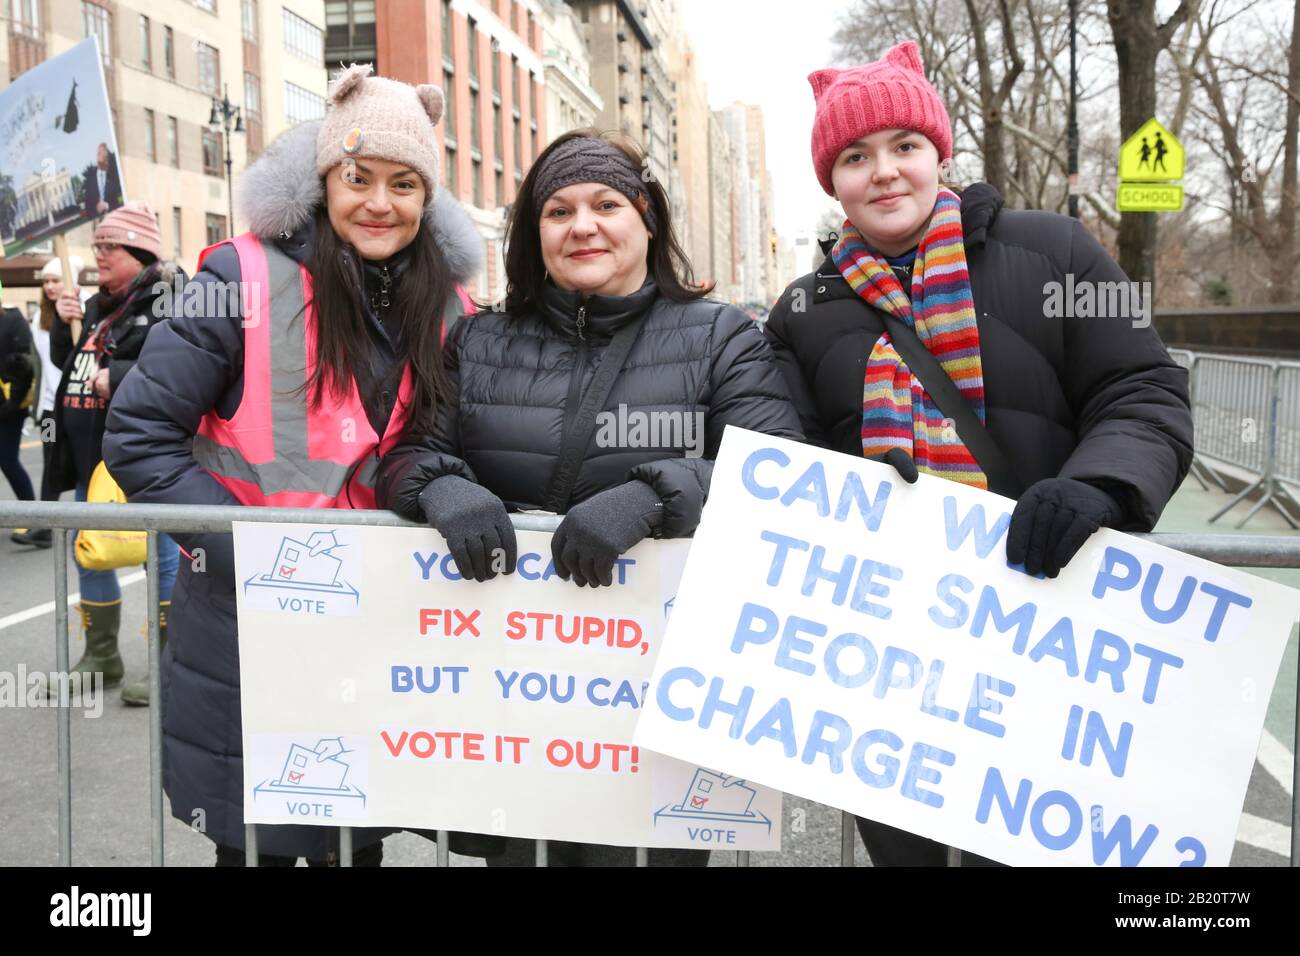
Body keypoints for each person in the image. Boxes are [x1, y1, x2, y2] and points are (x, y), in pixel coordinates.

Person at [763, 41, 1193, 866]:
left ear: (939, 153)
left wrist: (1097, 487)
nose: (884, 173)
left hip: (1046, 620)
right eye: (855, 156)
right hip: (889, 656)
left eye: (904, 147)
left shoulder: (1058, 249)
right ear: (832, 181)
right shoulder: (801, 309)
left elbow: (1142, 389)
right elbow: (784, 451)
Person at [376, 129, 804, 866]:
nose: (582, 225)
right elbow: (410, 451)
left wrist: (654, 496)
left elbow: (779, 473)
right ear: (533, 233)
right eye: (557, 210)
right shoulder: (479, 341)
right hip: (510, 700)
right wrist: (442, 486)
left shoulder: (721, 336)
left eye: (606, 203)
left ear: (647, 219)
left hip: (657, 704)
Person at [103, 65, 483, 867]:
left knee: (357, 845)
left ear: (427, 198)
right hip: (251, 625)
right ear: (324, 178)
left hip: (383, 628)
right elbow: (140, 435)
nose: (380, 202)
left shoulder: (453, 306)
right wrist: (259, 557)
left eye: (405, 183)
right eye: (359, 176)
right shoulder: (236, 277)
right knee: (257, 848)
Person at [41, 204, 183, 706]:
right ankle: (101, 656)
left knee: (162, 558)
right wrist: (65, 328)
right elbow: (70, 363)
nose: (98, 255)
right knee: (91, 553)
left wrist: (118, 377)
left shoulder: (169, 300)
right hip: (91, 460)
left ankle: (169, 667)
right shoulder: (101, 305)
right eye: (97, 246)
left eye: (109, 247)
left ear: (139, 252)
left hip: (142, 460)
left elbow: (180, 370)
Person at [12, 256, 83, 550]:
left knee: (85, 467)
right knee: (51, 462)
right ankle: (45, 525)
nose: (50, 286)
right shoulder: (39, 318)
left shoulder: (84, 308)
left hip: (78, 406)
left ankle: (103, 523)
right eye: (46, 281)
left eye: (56, 279)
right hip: (50, 411)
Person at [0, 302, 36, 508]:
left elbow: (25, 366)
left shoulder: (14, 321)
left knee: (8, 461)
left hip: (9, 408)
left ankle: (31, 513)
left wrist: (12, 404)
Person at [84, 143, 123, 218]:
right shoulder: (90, 181)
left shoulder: (113, 178)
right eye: (98, 151)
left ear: (106, 157)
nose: (98, 153)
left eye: (101, 151)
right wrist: (96, 210)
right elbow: (88, 209)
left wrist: (107, 206)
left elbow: (120, 202)